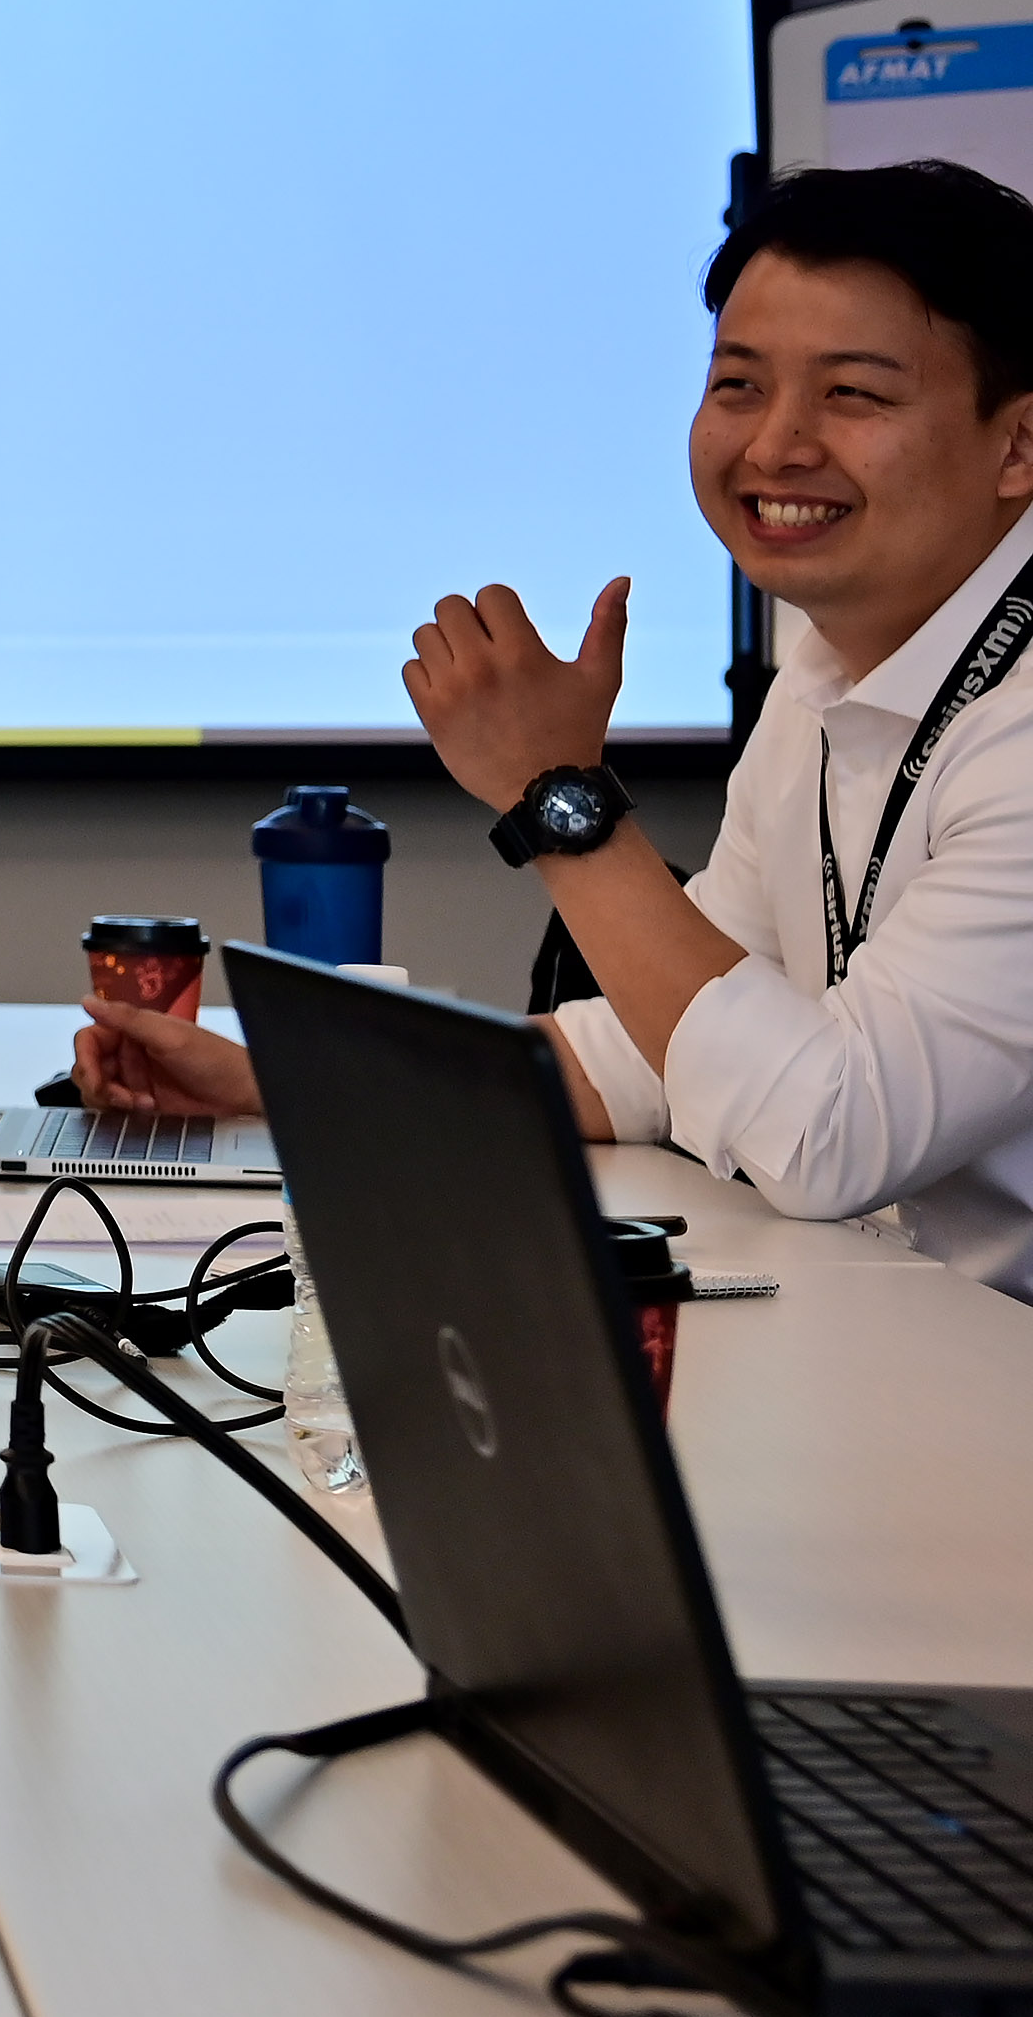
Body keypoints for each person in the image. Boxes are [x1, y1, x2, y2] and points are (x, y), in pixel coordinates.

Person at [76, 160, 1033, 1302]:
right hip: (913, 1351)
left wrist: (558, 797)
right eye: (737, 384)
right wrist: (274, 1083)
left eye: (852, 396)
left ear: (1018, 447)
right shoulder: (823, 674)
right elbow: (655, 1051)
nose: (775, 446)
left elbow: (829, 1138)